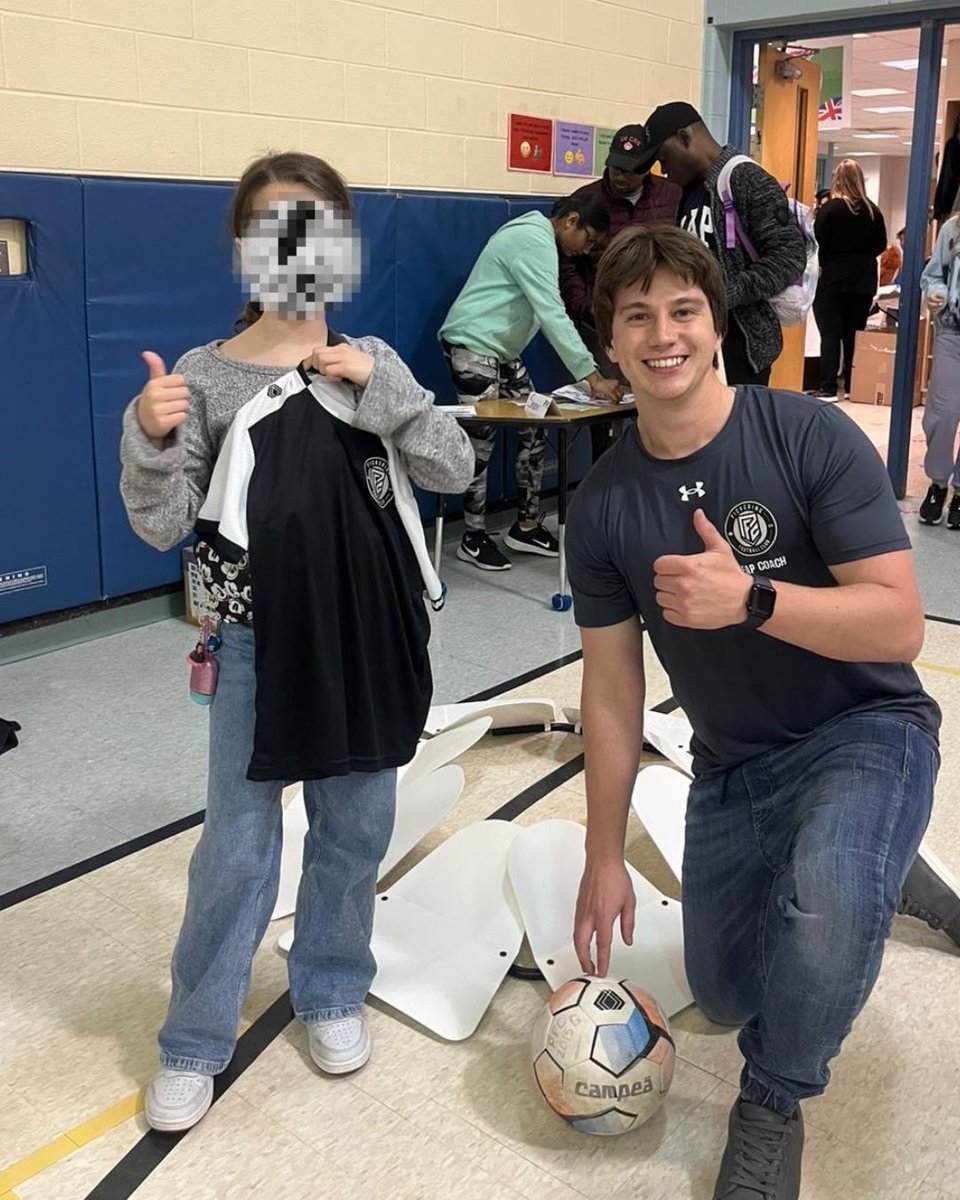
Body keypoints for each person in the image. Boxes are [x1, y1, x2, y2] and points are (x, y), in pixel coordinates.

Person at [566, 224, 949, 1200]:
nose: (663, 335)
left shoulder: (807, 435)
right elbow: (611, 695)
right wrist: (603, 857)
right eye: (636, 316)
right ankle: (881, 862)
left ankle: (771, 1107)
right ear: (609, 340)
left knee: (823, 912)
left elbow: (900, 626)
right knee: (733, 990)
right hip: (736, 764)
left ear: (716, 320)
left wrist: (755, 600)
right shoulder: (603, 508)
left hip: (866, 730)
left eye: (683, 310)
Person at [119, 151, 474, 1133]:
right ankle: (194, 1037)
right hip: (250, 648)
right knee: (237, 849)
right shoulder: (203, 375)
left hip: (367, 644)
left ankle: (328, 988)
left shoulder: (374, 359)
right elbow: (161, 525)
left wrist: (384, 391)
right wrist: (148, 439)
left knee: (355, 832)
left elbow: (451, 467)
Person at [439, 194, 623, 572]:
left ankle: (524, 527)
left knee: (537, 428)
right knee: (481, 439)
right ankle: (472, 537)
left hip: (502, 352)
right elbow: (552, 312)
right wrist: (591, 376)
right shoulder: (533, 239)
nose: (586, 250)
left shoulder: (540, 238)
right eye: (588, 240)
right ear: (571, 220)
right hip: (473, 346)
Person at [639, 101, 807, 387]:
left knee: (737, 430)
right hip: (696, 342)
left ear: (684, 137)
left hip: (741, 349)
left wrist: (724, 294)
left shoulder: (745, 178)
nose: (663, 169)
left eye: (663, 157)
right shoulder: (690, 190)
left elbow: (789, 256)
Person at [560, 124, 680, 460]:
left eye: (630, 171)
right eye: (615, 168)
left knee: (658, 402)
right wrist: (587, 307)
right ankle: (609, 487)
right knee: (608, 412)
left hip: (657, 320)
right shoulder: (588, 198)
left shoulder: (672, 195)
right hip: (601, 323)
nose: (621, 178)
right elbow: (568, 264)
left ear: (648, 167)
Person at [809, 160, 887, 402]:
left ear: (837, 180)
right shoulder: (873, 211)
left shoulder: (831, 209)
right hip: (863, 280)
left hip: (832, 278)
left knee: (830, 334)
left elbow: (815, 241)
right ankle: (854, 385)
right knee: (854, 335)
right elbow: (880, 245)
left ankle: (828, 387)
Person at [919, 206, 960, 530]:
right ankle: (938, 483)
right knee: (943, 413)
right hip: (952, 333)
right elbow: (932, 274)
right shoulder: (953, 229)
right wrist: (937, 293)